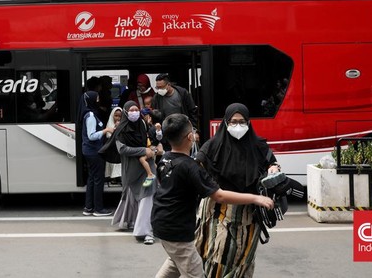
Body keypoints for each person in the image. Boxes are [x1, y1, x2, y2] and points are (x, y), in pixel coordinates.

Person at [152, 114, 274, 278]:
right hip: (178, 230)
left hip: (161, 224)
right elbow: (220, 196)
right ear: (190, 137)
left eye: (242, 121)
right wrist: (255, 198)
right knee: (195, 272)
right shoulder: (191, 167)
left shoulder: (165, 158)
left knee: (175, 261)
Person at [194, 103, 281, 278]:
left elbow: (272, 163)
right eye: (233, 121)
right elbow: (197, 168)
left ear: (249, 123)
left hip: (249, 215)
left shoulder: (258, 146)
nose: (238, 126)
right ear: (225, 123)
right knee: (218, 256)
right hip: (219, 211)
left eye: (242, 121)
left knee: (243, 258)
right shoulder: (212, 146)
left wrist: (273, 168)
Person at [111, 101, 157, 245]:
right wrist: (143, 151)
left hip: (146, 167)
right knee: (132, 195)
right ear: (125, 112)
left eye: (136, 109)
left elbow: (149, 141)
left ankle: (146, 231)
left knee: (147, 196)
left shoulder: (143, 125)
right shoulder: (120, 130)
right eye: (131, 110)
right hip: (131, 168)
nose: (134, 112)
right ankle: (132, 222)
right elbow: (122, 150)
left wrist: (152, 151)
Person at [80, 91, 115, 217]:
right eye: (97, 98)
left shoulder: (89, 114)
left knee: (92, 179)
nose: (99, 100)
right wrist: (106, 130)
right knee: (98, 180)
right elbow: (92, 136)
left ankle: (89, 207)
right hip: (94, 151)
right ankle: (98, 209)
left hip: (90, 151)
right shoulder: (90, 115)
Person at [104, 106, 123, 184]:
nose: (118, 118)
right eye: (116, 116)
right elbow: (108, 135)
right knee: (113, 163)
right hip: (112, 148)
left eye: (120, 116)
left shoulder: (123, 124)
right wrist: (115, 127)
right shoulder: (109, 124)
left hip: (120, 147)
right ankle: (113, 177)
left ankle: (120, 176)